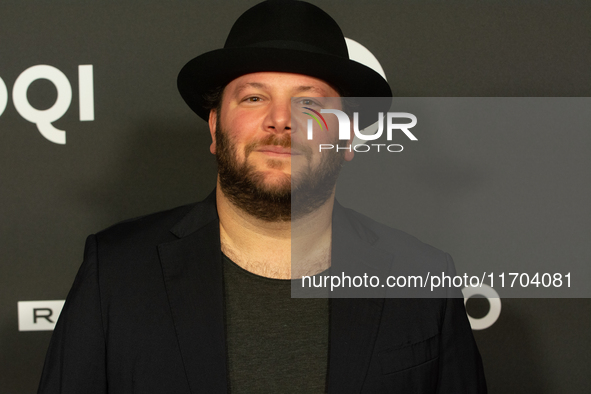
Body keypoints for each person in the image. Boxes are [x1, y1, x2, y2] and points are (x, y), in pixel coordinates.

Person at [38, 1, 486, 393]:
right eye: (254, 98)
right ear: (215, 127)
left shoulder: (421, 276)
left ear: (349, 140)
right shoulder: (116, 270)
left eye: (309, 104)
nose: (280, 121)